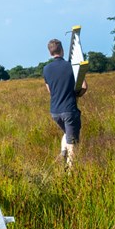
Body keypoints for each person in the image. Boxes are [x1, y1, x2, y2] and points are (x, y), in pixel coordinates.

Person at [42, 39, 87, 167]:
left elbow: (50, 91)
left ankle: (63, 152)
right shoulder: (71, 66)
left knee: (67, 133)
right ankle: (70, 174)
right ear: (62, 50)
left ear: (50, 52)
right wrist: (76, 94)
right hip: (69, 110)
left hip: (55, 112)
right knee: (73, 145)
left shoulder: (46, 69)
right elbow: (84, 86)